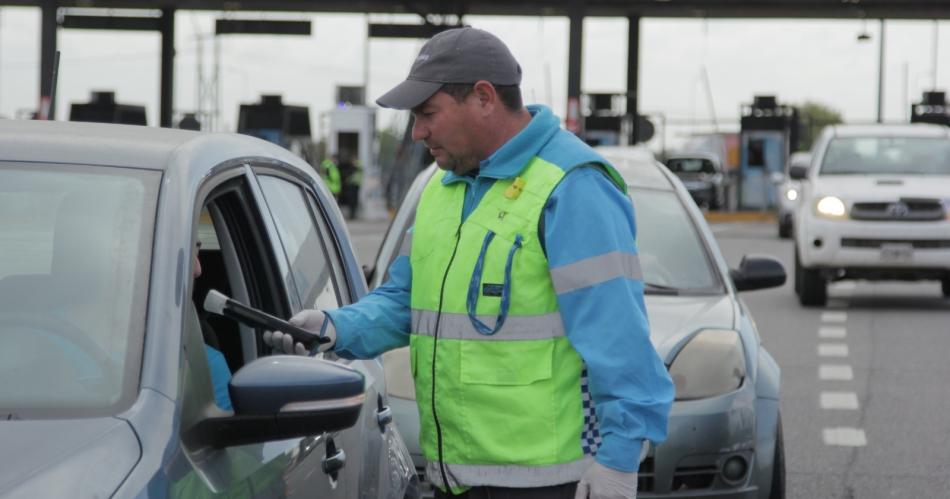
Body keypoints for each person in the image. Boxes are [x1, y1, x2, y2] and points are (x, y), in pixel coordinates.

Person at [267, 27, 673, 499]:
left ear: (483, 98)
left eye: (427, 114)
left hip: (547, 484)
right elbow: (405, 302)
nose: (418, 132)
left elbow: (617, 336)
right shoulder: (442, 189)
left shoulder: (571, 186)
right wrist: (333, 327)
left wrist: (619, 462)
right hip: (454, 479)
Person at [193, 244, 232, 411]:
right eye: (186, 248)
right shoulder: (203, 364)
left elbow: (226, 434)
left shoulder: (204, 367)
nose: (198, 269)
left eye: (196, 249)